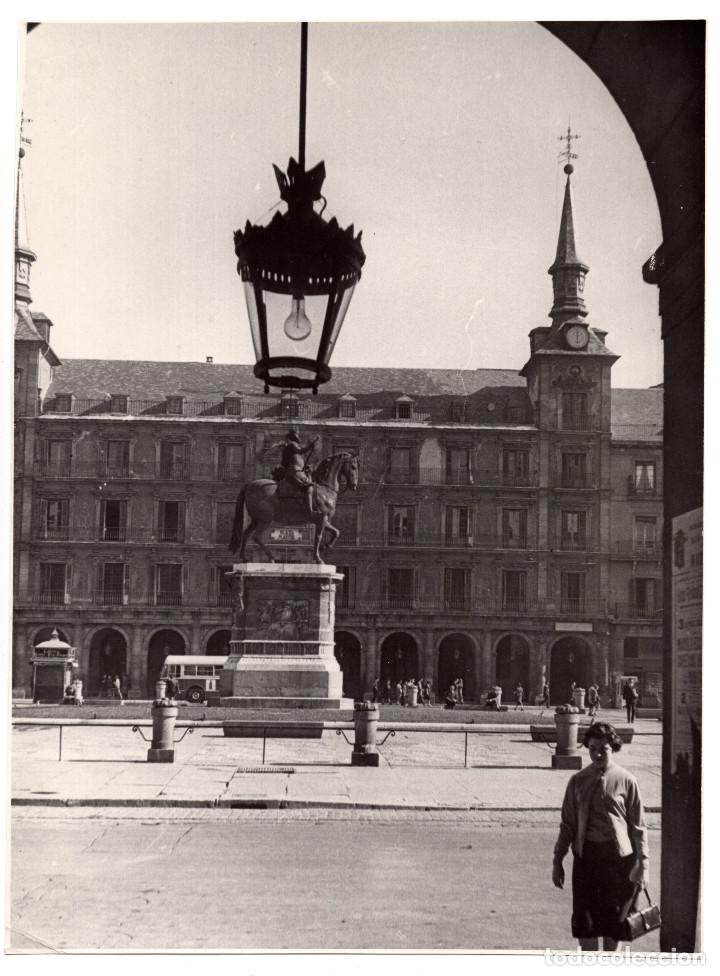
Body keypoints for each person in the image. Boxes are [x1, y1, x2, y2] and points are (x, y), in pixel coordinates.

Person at [552, 722, 650, 952]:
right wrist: (557, 861)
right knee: (585, 924)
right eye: (592, 748)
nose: (597, 753)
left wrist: (643, 865)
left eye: (603, 749)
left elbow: (638, 827)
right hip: (586, 860)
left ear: (613, 748)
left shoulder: (627, 780)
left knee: (613, 925)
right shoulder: (577, 781)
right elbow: (567, 825)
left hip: (619, 863)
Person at [276, 430, 319, 515]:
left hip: (296, 471)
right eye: (297, 436)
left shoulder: (291, 447)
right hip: (294, 471)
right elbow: (301, 451)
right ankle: (310, 511)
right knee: (309, 487)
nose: (298, 438)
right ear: (294, 437)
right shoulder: (292, 444)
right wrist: (311, 444)